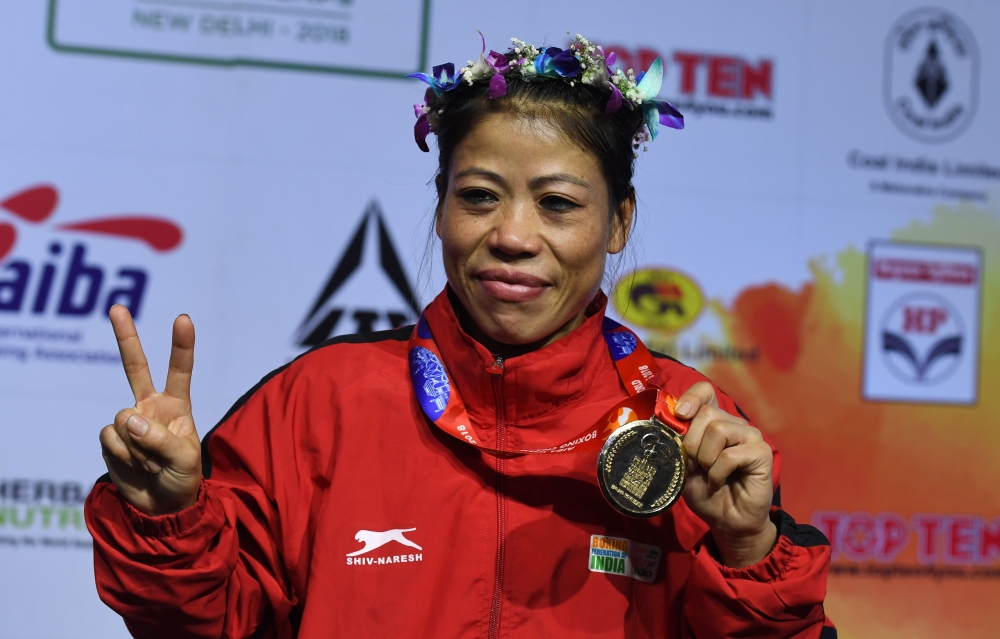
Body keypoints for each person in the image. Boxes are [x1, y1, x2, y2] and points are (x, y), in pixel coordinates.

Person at [86, 34, 835, 639]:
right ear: (440, 207)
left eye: (557, 204)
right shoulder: (320, 402)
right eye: (478, 196)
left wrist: (746, 550)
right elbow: (208, 624)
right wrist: (167, 519)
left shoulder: (687, 425)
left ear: (619, 223)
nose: (512, 235)